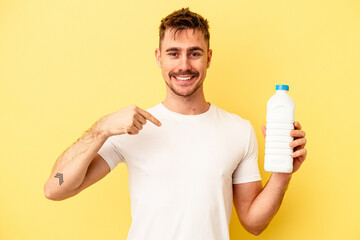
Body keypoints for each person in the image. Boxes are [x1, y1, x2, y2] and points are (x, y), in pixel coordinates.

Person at [44, 8, 307, 239]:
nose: (184, 65)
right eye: (174, 53)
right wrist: (100, 129)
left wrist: (282, 173)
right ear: (159, 58)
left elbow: (253, 223)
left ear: (209, 58)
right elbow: (56, 187)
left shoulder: (238, 130)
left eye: (194, 53)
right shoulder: (131, 127)